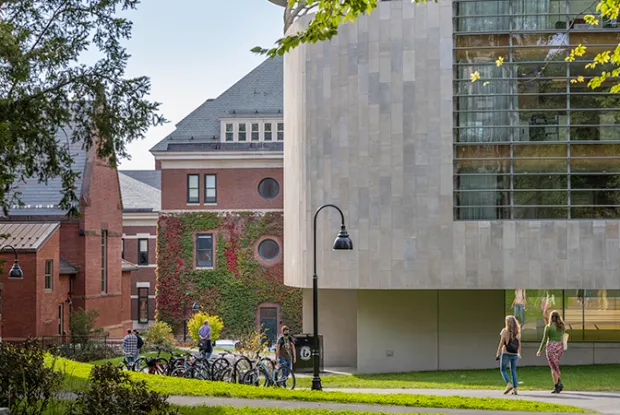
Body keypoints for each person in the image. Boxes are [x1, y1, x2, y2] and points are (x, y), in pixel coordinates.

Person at [537, 310, 566, 393]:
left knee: (553, 367)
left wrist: (539, 350)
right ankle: (558, 383)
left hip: (551, 347)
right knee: (555, 365)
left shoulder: (548, 327)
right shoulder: (562, 326)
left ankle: (557, 385)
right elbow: (563, 336)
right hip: (560, 347)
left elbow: (544, 339)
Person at [496, 315, 521, 395]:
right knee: (513, 370)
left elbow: (502, 343)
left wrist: (498, 352)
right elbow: (519, 344)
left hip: (506, 353)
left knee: (503, 369)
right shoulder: (518, 332)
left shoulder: (504, 331)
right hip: (514, 353)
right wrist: (519, 353)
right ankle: (515, 389)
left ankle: (508, 384)